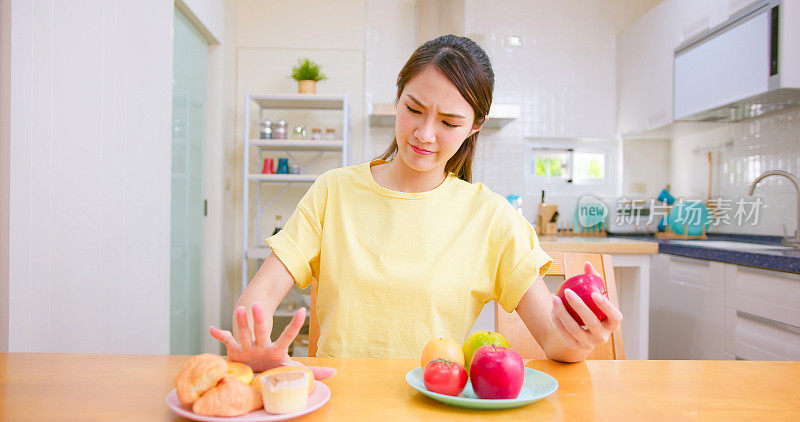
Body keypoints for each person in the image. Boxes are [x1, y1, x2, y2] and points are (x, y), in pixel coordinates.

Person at [210, 35, 622, 380]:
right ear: (398, 98)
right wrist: (257, 342)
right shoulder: (333, 192)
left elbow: (552, 339)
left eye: (449, 122)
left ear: (475, 125)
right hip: (340, 402)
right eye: (413, 110)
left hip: (436, 404)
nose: (425, 134)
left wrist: (577, 337)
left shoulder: (491, 217)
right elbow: (256, 298)